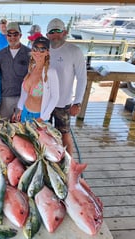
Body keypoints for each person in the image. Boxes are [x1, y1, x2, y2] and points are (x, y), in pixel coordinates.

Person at [46, 18, 87, 156]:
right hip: (44, 102)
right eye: (52, 31)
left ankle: (69, 165)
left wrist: (78, 102)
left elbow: (82, 78)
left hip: (63, 104)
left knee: (64, 135)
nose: (55, 34)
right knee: (45, 134)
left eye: (58, 31)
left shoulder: (74, 51)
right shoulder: (43, 50)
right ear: (47, 35)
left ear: (65, 32)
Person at [16, 36, 59, 123]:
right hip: (25, 112)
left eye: (42, 49)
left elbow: (55, 97)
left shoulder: (51, 72)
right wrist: (20, 109)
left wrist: (43, 117)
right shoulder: (31, 68)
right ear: (32, 50)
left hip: (38, 117)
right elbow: (25, 93)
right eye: (35, 48)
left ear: (47, 52)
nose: (38, 52)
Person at [0, 22, 31, 121]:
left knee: (20, 127)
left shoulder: (29, 53)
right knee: (3, 127)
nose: (12, 37)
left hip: (23, 97)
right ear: (6, 36)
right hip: (5, 98)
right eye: (9, 35)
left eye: (15, 34)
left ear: (20, 35)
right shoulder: (1, 54)